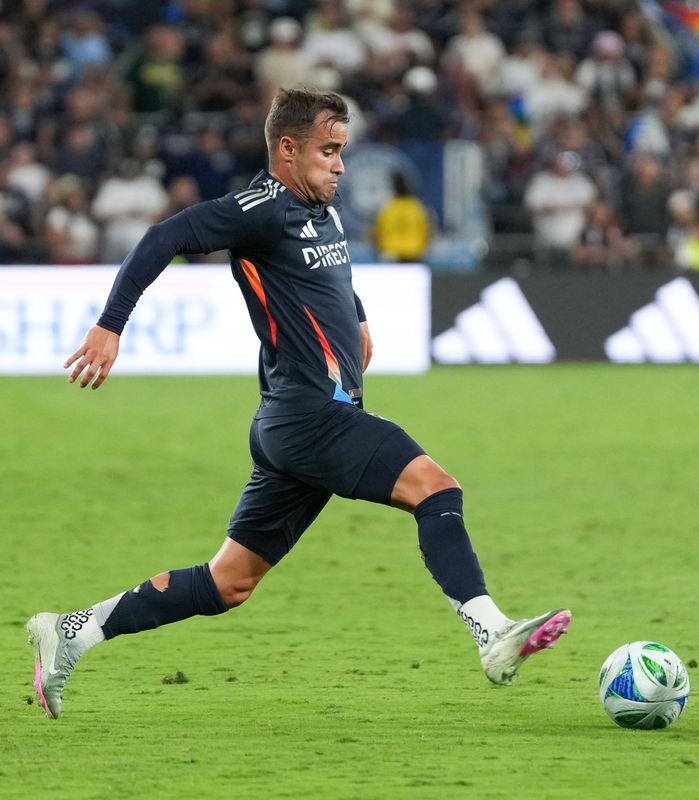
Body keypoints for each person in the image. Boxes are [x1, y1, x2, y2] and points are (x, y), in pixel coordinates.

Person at [25, 88, 571, 721]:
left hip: (292, 424)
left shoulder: (322, 209)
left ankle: (71, 631)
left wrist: (358, 318)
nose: (340, 165)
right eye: (328, 151)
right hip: (312, 415)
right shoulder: (258, 208)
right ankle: (491, 633)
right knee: (436, 487)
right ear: (288, 150)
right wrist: (109, 325)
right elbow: (162, 237)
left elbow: (328, 275)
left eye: (342, 151)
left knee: (229, 582)